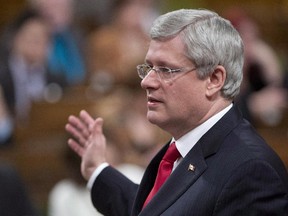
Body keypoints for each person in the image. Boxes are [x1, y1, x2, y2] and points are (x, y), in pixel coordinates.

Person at [65, 9, 288, 215]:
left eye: (165, 69)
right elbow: (157, 209)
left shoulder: (251, 172)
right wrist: (97, 170)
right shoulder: (185, 143)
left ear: (213, 79)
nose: (147, 82)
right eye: (148, 68)